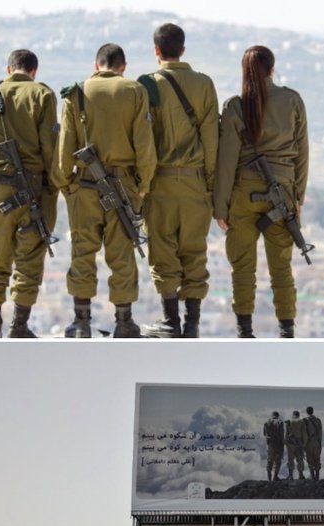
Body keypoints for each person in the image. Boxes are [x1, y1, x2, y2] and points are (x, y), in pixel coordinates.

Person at [53, 43, 157, 338]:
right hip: (124, 186)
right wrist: (143, 185)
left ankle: (81, 321)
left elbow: (65, 148)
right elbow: (144, 145)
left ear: (95, 64)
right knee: (122, 252)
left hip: (84, 187)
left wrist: (66, 184)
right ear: (123, 66)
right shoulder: (135, 91)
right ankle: (124, 321)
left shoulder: (76, 93)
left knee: (83, 251)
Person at [214, 45, 309, 338]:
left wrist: (220, 207)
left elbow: (226, 161)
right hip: (282, 192)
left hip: (243, 195)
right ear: (272, 67)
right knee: (282, 269)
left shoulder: (235, 107)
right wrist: (298, 198)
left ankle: (245, 331)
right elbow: (302, 155)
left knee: (242, 268)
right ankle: (286, 331)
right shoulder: (292, 100)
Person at [137, 23, 219, 339]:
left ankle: (171, 322)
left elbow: (143, 143)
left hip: (160, 184)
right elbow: (212, 140)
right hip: (196, 183)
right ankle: (193, 324)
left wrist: (142, 185)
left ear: (156, 51)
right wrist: (211, 187)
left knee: (163, 252)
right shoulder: (204, 84)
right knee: (195, 252)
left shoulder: (146, 85)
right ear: (182, 50)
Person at [0, 49, 59, 338]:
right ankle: (19, 326)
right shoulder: (42, 95)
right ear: (34, 71)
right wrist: (56, 184)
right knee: (29, 258)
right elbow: (50, 148)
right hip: (34, 189)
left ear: (9, 70)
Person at [284, 410, 308, 480]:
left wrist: (286, 442)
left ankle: (290, 475)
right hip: (299, 443)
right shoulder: (301, 422)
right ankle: (301, 475)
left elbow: (286, 434)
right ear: (298, 415)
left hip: (290, 443)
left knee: (290, 459)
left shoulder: (289, 421)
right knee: (300, 459)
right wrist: (304, 444)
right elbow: (304, 434)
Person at [263, 410, 285, 480]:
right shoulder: (280, 422)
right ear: (278, 416)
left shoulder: (266, 422)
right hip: (278, 444)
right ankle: (275, 476)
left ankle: (269, 477)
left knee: (270, 460)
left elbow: (264, 433)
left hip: (270, 444)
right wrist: (282, 444)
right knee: (278, 461)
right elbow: (282, 434)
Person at [304, 405, 323, 480]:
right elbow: (320, 433)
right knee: (317, 458)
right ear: (313, 411)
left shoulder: (305, 420)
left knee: (310, 459)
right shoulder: (318, 420)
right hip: (317, 442)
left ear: (306, 412)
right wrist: (319, 443)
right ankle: (317, 477)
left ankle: (312, 476)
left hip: (309, 442)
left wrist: (304, 445)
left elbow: (304, 434)